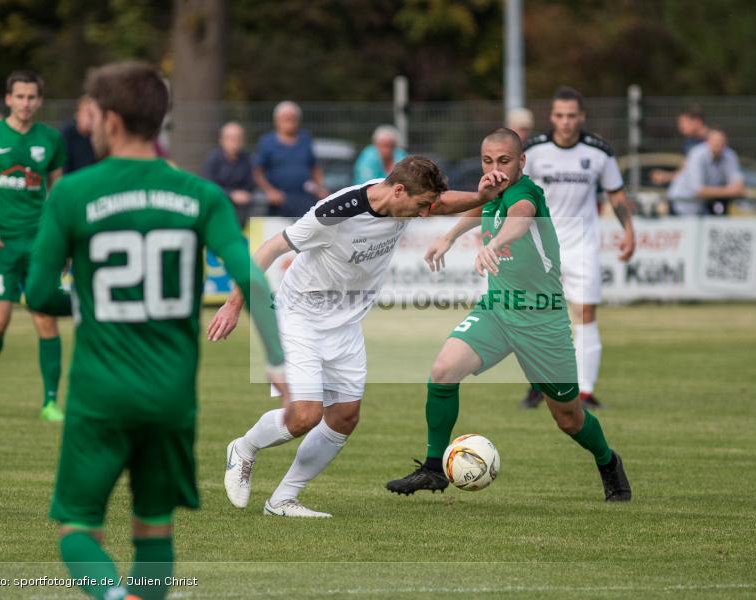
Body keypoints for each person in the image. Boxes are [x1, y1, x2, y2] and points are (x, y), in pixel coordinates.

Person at [24, 61, 286, 600]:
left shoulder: (72, 194)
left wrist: (88, 304)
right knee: (153, 528)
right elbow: (253, 280)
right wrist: (279, 362)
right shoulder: (200, 195)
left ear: (112, 121)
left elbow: (39, 292)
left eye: (94, 114)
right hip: (170, 396)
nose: (90, 124)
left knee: (77, 528)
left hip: (100, 393)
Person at [209, 156, 508, 518]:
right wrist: (232, 304)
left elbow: (441, 202)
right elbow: (270, 249)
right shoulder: (336, 212)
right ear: (398, 190)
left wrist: (481, 194)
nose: (425, 214)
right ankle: (243, 448)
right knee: (304, 415)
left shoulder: (408, 202)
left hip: (346, 322)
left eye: (428, 207)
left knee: (344, 417)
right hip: (300, 315)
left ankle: (283, 500)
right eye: (419, 206)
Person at [385, 128, 631, 502]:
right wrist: (449, 237)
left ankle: (608, 461)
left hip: (541, 321)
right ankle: (434, 469)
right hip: (498, 311)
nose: (495, 168)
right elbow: (483, 207)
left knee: (569, 418)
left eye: (504, 161)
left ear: (521, 162)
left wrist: (496, 243)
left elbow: (519, 219)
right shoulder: (494, 192)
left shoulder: (526, 193)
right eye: (488, 161)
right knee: (442, 372)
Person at [519, 87, 636, 410]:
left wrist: (629, 230)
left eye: (572, 116)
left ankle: (584, 391)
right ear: (551, 117)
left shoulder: (599, 151)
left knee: (585, 315)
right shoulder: (534, 150)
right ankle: (538, 386)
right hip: (539, 247)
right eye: (560, 115)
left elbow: (615, 194)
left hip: (582, 247)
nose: (566, 122)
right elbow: (515, 193)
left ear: (582, 117)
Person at [0, 70, 66, 421]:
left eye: (32, 97)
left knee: (45, 317)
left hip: (40, 245)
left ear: (39, 101)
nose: (26, 103)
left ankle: (50, 401)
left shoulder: (51, 139)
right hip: (0, 245)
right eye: (19, 97)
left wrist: (61, 239)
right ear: (8, 99)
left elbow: (59, 195)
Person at [253, 101, 328, 218]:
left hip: (306, 199)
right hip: (279, 202)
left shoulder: (306, 139)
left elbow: (314, 167)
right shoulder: (267, 142)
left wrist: (320, 188)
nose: (290, 122)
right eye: (286, 118)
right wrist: (270, 191)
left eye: (293, 118)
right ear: (277, 121)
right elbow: (257, 172)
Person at [667, 127, 745, 216]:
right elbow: (699, 191)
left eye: (722, 142)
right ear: (707, 142)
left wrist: (733, 189)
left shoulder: (730, 155)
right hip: (680, 204)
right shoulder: (697, 155)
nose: (719, 145)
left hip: (702, 208)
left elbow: (739, 187)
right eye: (716, 141)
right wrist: (729, 191)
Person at [202, 121, 257, 227]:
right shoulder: (213, 159)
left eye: (238, 139)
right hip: (219, 201)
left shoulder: (247, 158)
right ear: (222, 140)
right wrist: (231, 195)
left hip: (243, 204)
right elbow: (208, 186)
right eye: (231, 139)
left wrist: (245, 193)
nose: (235, 143)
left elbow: (251, 182)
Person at [650, 105, 710, 186]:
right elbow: (686, 170)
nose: (680, 127)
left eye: (683, 122)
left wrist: (667, 177)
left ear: (697, 121)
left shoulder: (714, 142)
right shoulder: (689, 143)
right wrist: (666, 176)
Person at [60, 95, 97, 174]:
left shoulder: (97, 136)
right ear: (77, 114)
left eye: (94, 115)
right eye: (88, 114)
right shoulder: (67, 134)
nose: (91, 119)